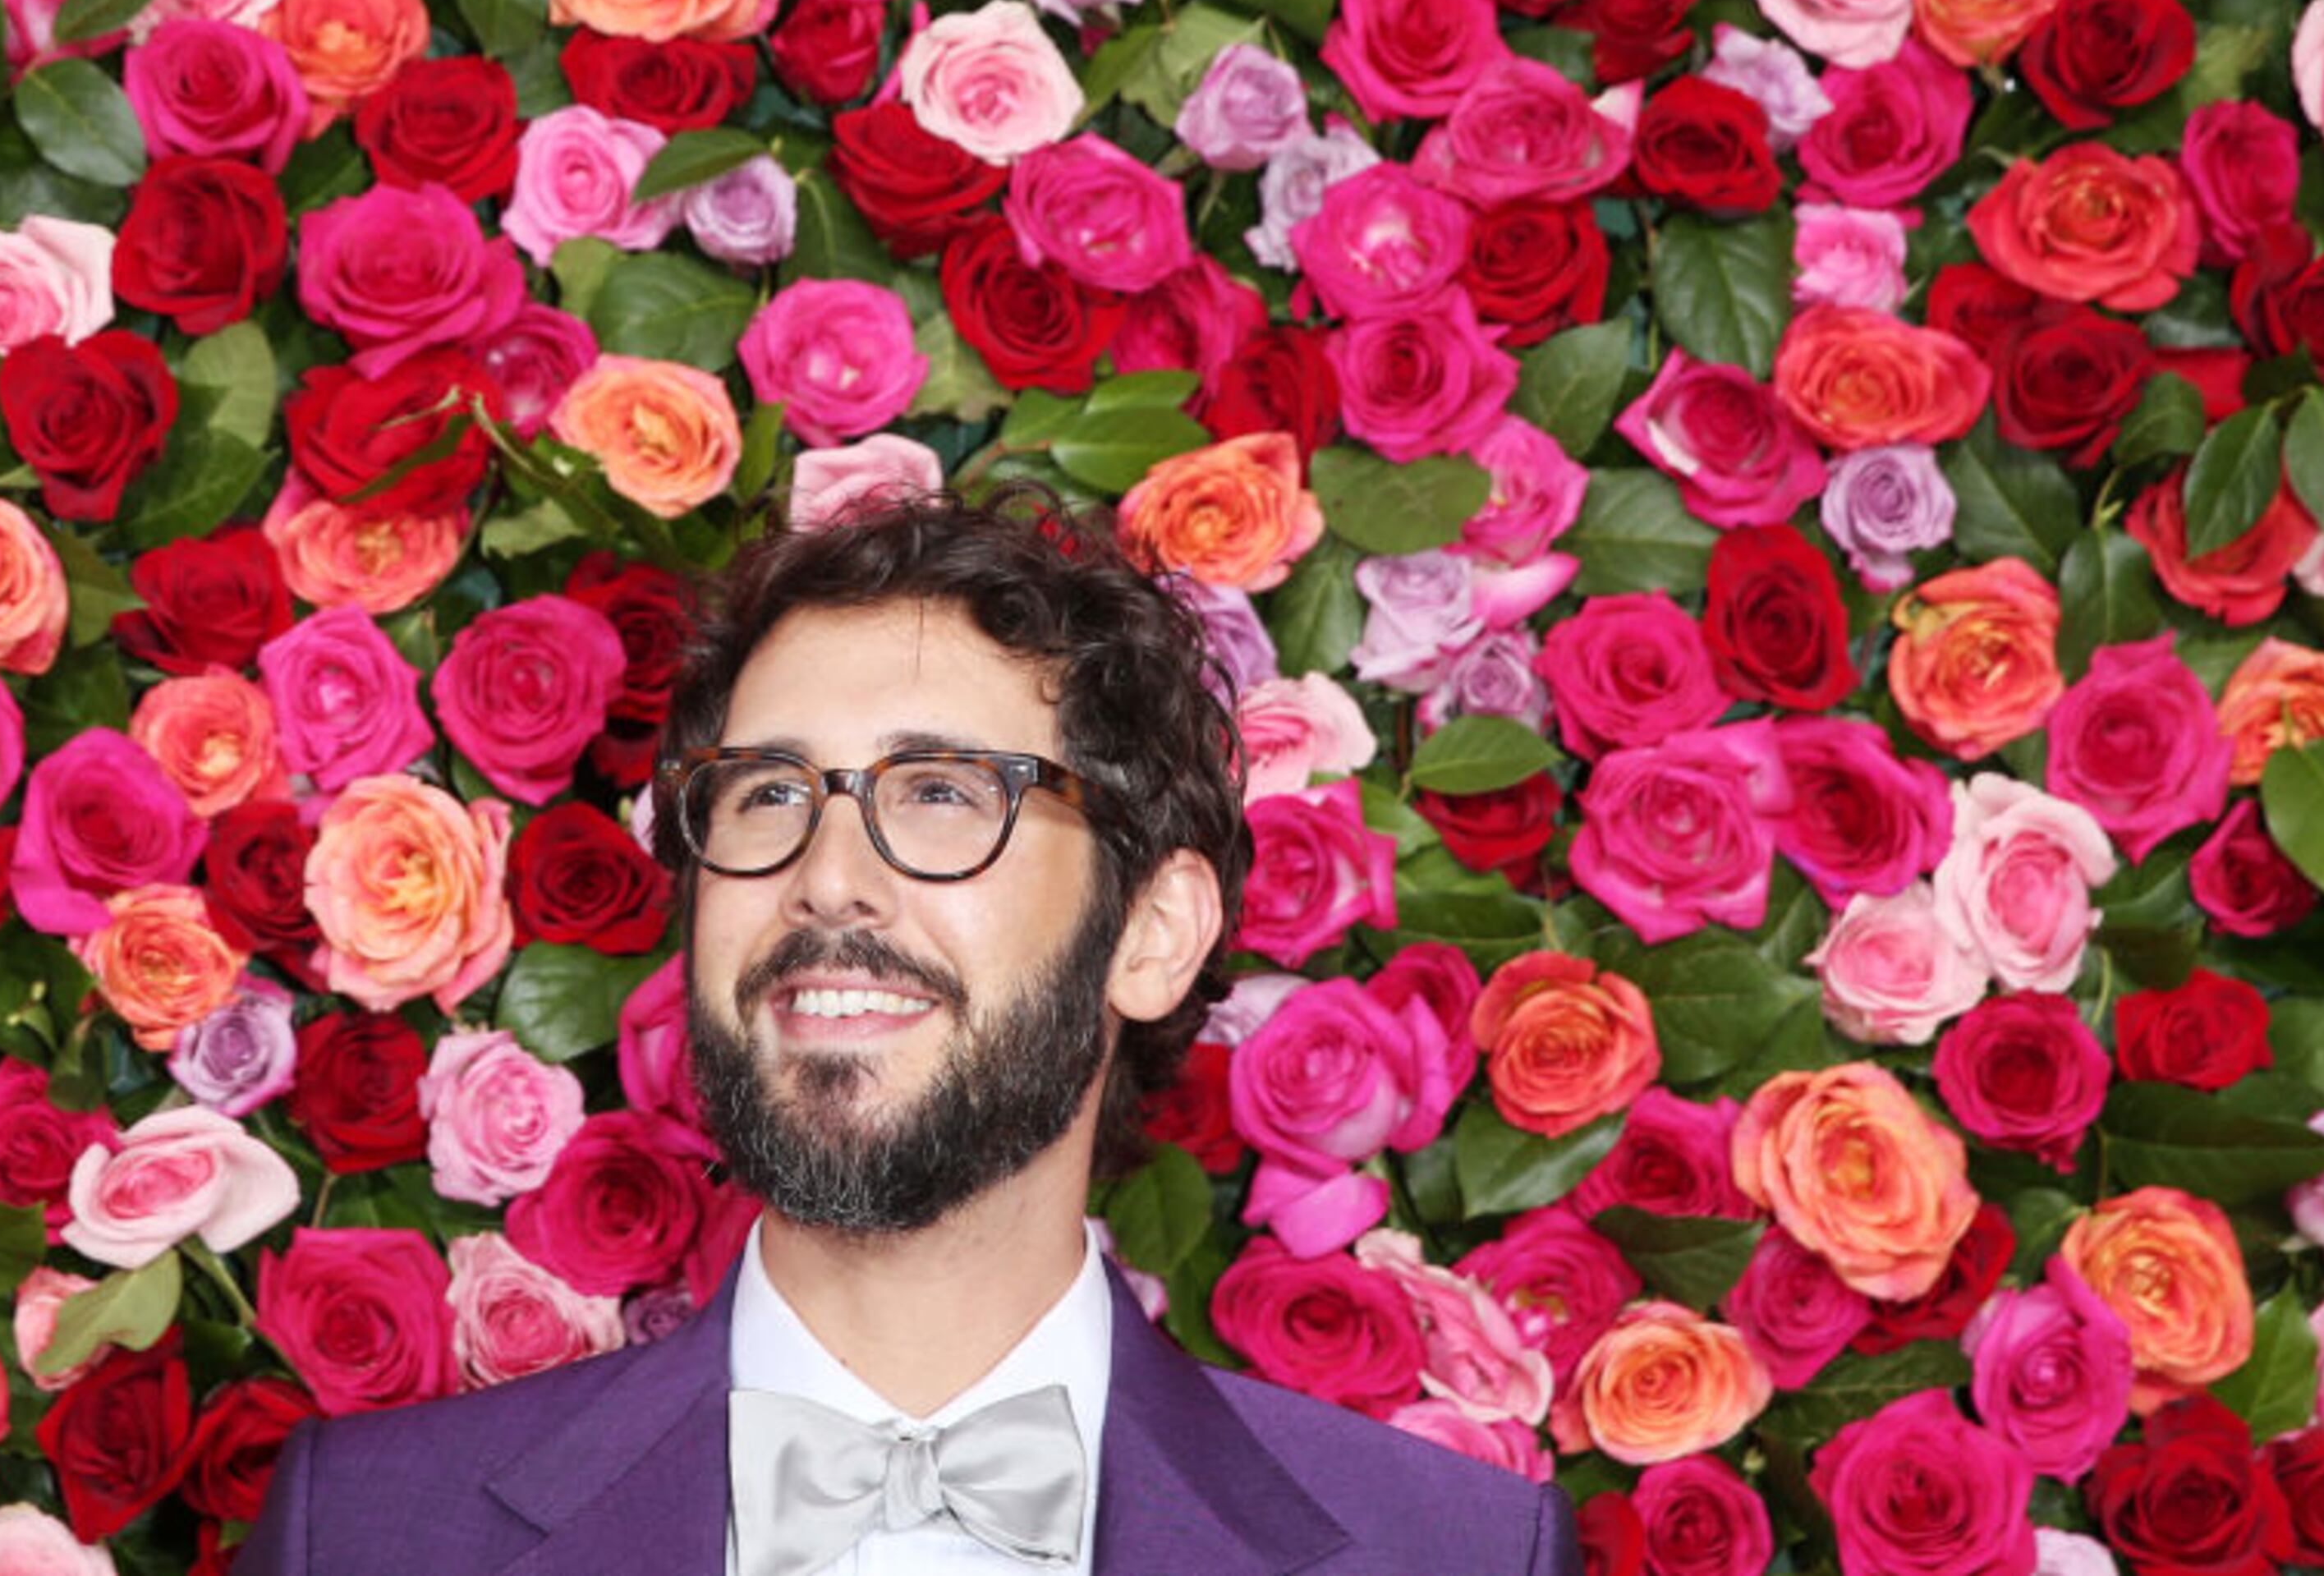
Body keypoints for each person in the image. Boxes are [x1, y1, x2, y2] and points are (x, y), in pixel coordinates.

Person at [241, 492, 1581, 1575]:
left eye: (942, 792)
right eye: (767, 795)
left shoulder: (1451, 1553)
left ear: (1153, 933)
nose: (826, 876)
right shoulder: (364, 1537)